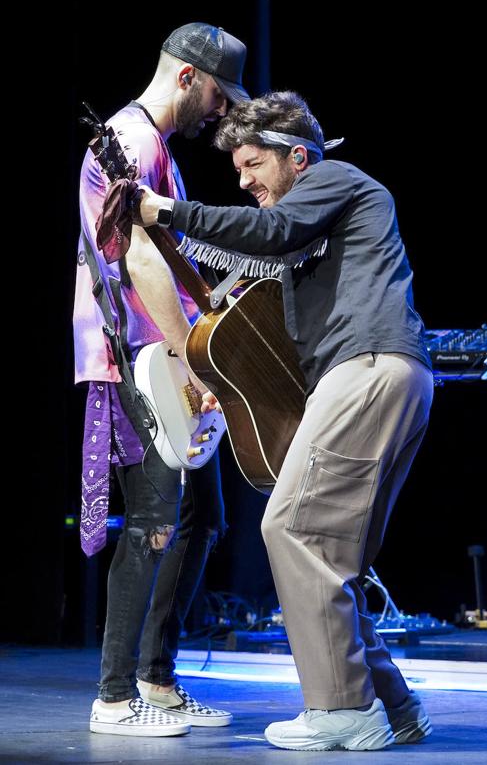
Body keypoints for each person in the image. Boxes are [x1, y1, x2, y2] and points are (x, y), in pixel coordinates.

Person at [137, 90, 435, 751]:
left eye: (251, 166)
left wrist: (169, 211)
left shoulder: (332, 179)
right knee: (332, 555)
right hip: (385, 374)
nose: (243, 182)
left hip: (370, 368)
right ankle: (394, 706)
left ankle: (340, 711)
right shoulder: (322, 230)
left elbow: (267, 233)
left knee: (292, 526)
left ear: (295, 157)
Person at [73, 22, 249, 737]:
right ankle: (114, 699)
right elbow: (141, 263)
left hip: (164, 354)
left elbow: (167, 259)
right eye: (217, 93)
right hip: (139, 358)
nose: (221, 109)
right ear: (186, 77)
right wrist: (194, 361)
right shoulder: (134, 138)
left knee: (201, 518)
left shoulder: (156, 149)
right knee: (152, 519)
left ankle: (157, 679)